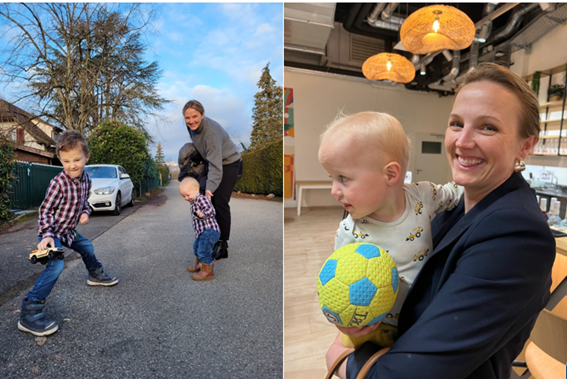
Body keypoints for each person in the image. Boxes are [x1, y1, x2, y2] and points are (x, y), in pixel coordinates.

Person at [326, 62, 556, 379]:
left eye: (488, 127)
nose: (462, 141)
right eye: (457, 123)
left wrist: (346, 362)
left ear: (525, 146)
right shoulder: (455, 206)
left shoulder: (517, 235)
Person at [318, 111, 462, 353]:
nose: (334, 190)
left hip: (421, 319)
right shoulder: (349, 230)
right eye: (332, 178)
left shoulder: (423, 196)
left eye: (343, 178)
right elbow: (337, 285)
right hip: (373, 330)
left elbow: (457, 193)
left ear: (391, 174)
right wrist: (344, 324)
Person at [18, 130, 119, 337]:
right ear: (60, 160)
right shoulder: (58, 183)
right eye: (66, 161)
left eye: (76, 159)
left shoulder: (87, 181)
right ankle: (30, 310)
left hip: (69, 232)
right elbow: (45, 210)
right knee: (56, 265)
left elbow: (85, 204)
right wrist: (46, 235)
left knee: (87, 247)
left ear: (86, 157)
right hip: (52, 232)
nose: (72, 165)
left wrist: (84, 212)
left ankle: (95, 274)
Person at [183, 100, 242, 260]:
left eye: (195, 116)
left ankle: (222, 245)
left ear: (202, 115)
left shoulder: (211, 131)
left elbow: (216, 164)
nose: (191, 121)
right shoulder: (191, 127)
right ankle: (211, 238)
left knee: (219, 201)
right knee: (206, 200)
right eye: (187, 118)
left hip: (228, 162)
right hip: (212, 161)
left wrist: (210, 187)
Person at [179, 177, 221, 281]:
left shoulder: (201, 199)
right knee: (196, 247)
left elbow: (211, 210)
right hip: (202, 232)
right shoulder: (193, 201)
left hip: (209, 231)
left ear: (196, 190)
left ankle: (208, 272)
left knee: (203, 250)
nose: (186, 198)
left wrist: (203, 214)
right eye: (183, 196)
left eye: (187, 195)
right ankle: (200, 265)